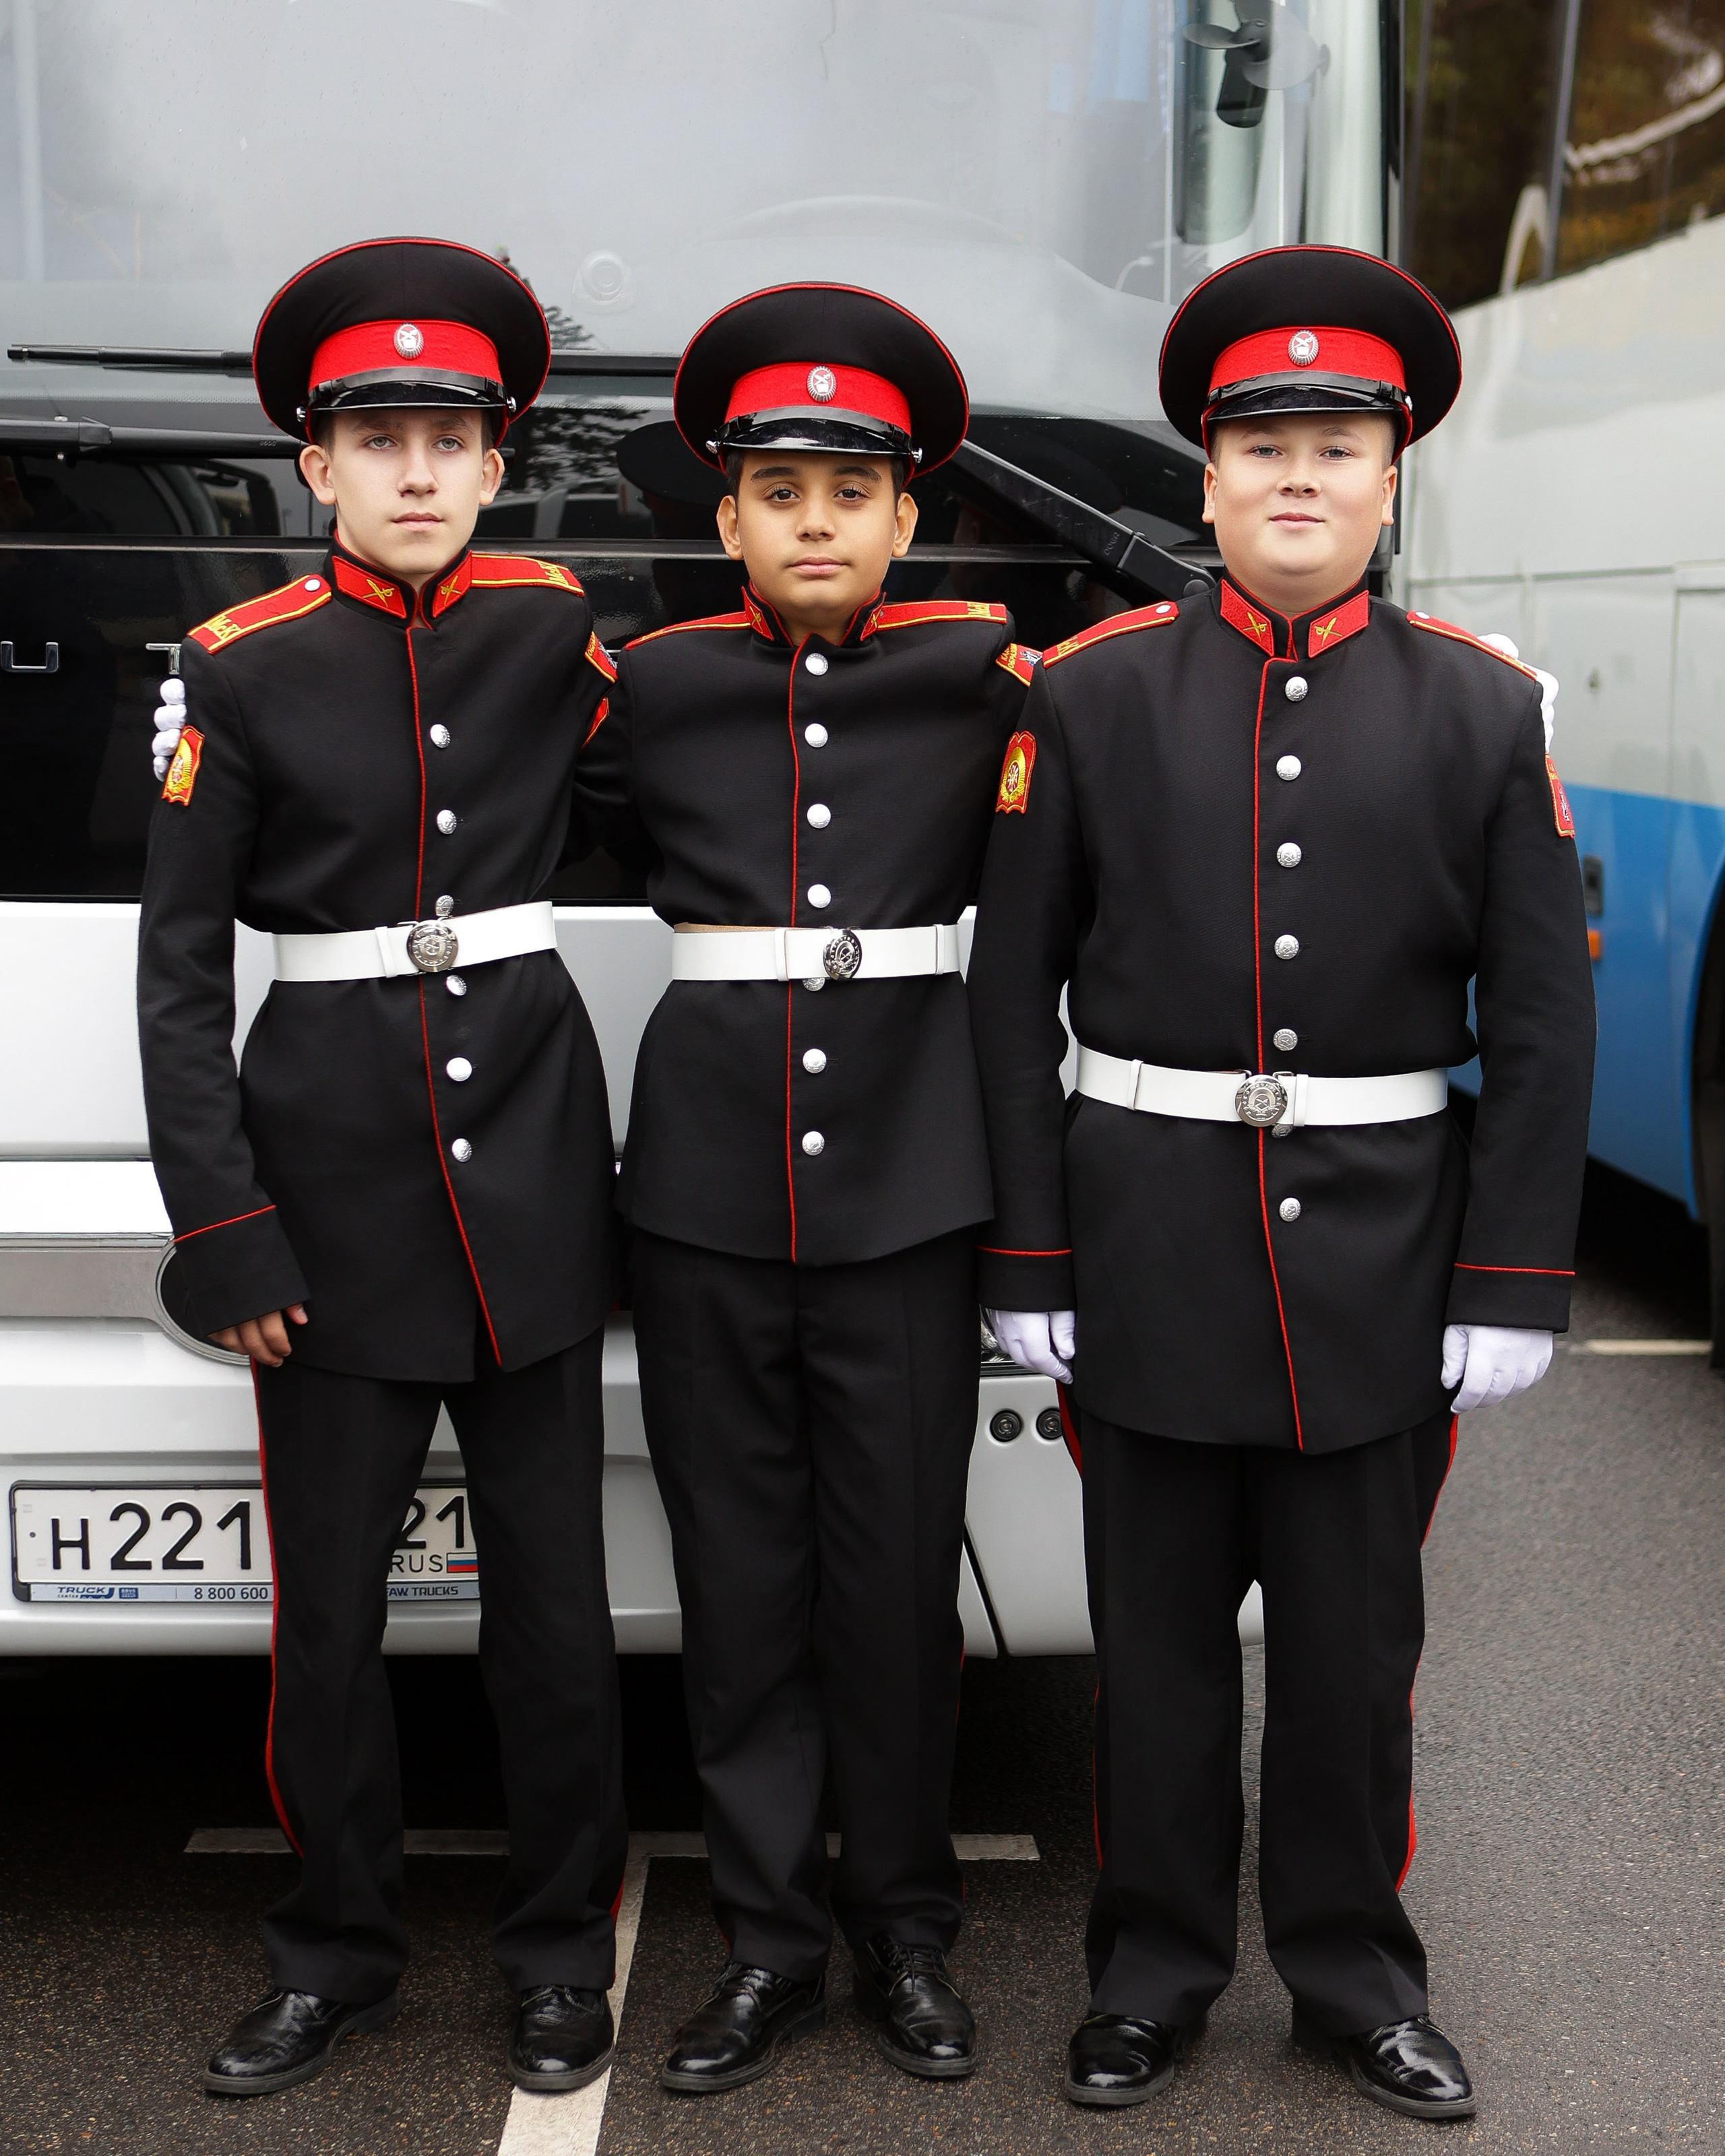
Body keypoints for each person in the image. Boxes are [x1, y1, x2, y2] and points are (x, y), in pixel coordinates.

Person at [968, 246, 1595, 2120]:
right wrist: (1032, 1246)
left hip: (1391, 1267)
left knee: (1351, 1664)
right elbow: (1014, 998)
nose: (1299, 479)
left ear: (1391, 478)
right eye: (1264, 448)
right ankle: (1149, 1978)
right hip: (1146, 1246)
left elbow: (1545, 1020)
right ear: (1213, 481)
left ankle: (1353, 1980)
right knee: (1153, 1667)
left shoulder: (1485, 709)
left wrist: (1513, 1278)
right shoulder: (1087, 697)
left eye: (1338, 445)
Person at [137, 238, 627, 2099]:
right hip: (325, 1208)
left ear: (497, 464)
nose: (418, 472)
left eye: (451, 437)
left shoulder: (553, 630)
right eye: (378, 438)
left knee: (556, 1616)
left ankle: (562, 1953)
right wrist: (226, 1227)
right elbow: (180, 972)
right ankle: (333, 1951)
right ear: (316, 468)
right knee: (329, 1618)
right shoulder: (236, 667)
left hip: (531, 1194)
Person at [571, 284, 1039, 2093]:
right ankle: (767, 1944)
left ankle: (907, 1933)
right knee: (743, 1589)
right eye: (780, 488)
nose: (818, 519)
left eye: (853, 488)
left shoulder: (994, 678)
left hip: (914, 1196)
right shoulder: (655, 686)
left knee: (894, 1587)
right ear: (729, 521)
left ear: (909, 517)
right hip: (698, 1200)